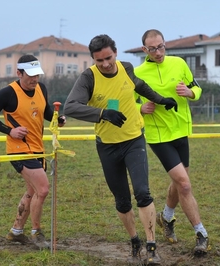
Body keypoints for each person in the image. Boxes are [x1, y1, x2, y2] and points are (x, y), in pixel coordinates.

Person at [63, 34, 177, 265]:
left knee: (143, 193)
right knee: (122, 201)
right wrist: (103, 114)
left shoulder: (126, 67)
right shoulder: (88, 78)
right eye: (99, 60)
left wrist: (161, 99)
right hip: (107, 146)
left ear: (115, 52)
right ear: (93, 60)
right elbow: (71, 107)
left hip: (134, 139)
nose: (105, 64)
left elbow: (140, 85)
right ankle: (135, 240)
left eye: (108, 58)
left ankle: (151, 246)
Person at [134, 29, 209, 256]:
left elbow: (197, 87)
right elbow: (119, 104)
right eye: (153, 48)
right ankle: (201, 234)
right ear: (144, 50)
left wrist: (190, 92)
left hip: (181, 131)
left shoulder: (179, 63)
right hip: (159, 137)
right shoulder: (137, 73)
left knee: (180, 182)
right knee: (184, 184)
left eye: (162, 46)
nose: (159, 52)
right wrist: (140, 108)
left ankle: (166, 218)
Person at [0, 54, 66, 249]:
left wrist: (57, 118)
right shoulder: (7, 93)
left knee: (32, 191)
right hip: (19, 149)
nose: (34, 79)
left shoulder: (41, 88)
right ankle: (37, 233)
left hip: (38, 148)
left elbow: (45, 112)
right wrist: (10, 131)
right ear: (19, 73)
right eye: (30, 75)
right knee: (43, 189)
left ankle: (16, 231)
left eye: (37, 75)